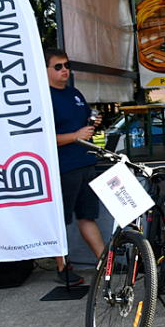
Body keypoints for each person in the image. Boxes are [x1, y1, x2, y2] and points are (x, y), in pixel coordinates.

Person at [45, 48, 105, 286]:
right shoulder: (43, 97)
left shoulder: (74, 93)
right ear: (46, 70)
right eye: (58, 66)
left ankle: (104, 261)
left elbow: (85, 124)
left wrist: (94, 123)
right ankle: (63, 267)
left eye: (67, 65)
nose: (64, 71)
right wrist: (76, 135)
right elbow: (43, 137)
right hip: (64, 166)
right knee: (60, 219)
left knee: (87, 216)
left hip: (86, 161)